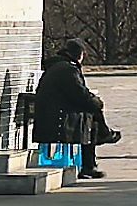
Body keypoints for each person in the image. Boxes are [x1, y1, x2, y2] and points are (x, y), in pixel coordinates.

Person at [34, 39, 117, 179]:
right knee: (91, 117)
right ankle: (90, 162)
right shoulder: (68, 70)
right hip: (57, 118)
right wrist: (97, 102)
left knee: (91, 111)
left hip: (51, 113)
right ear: (80, 55)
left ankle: (103, 136)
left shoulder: (57, 66)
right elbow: (80, 95)